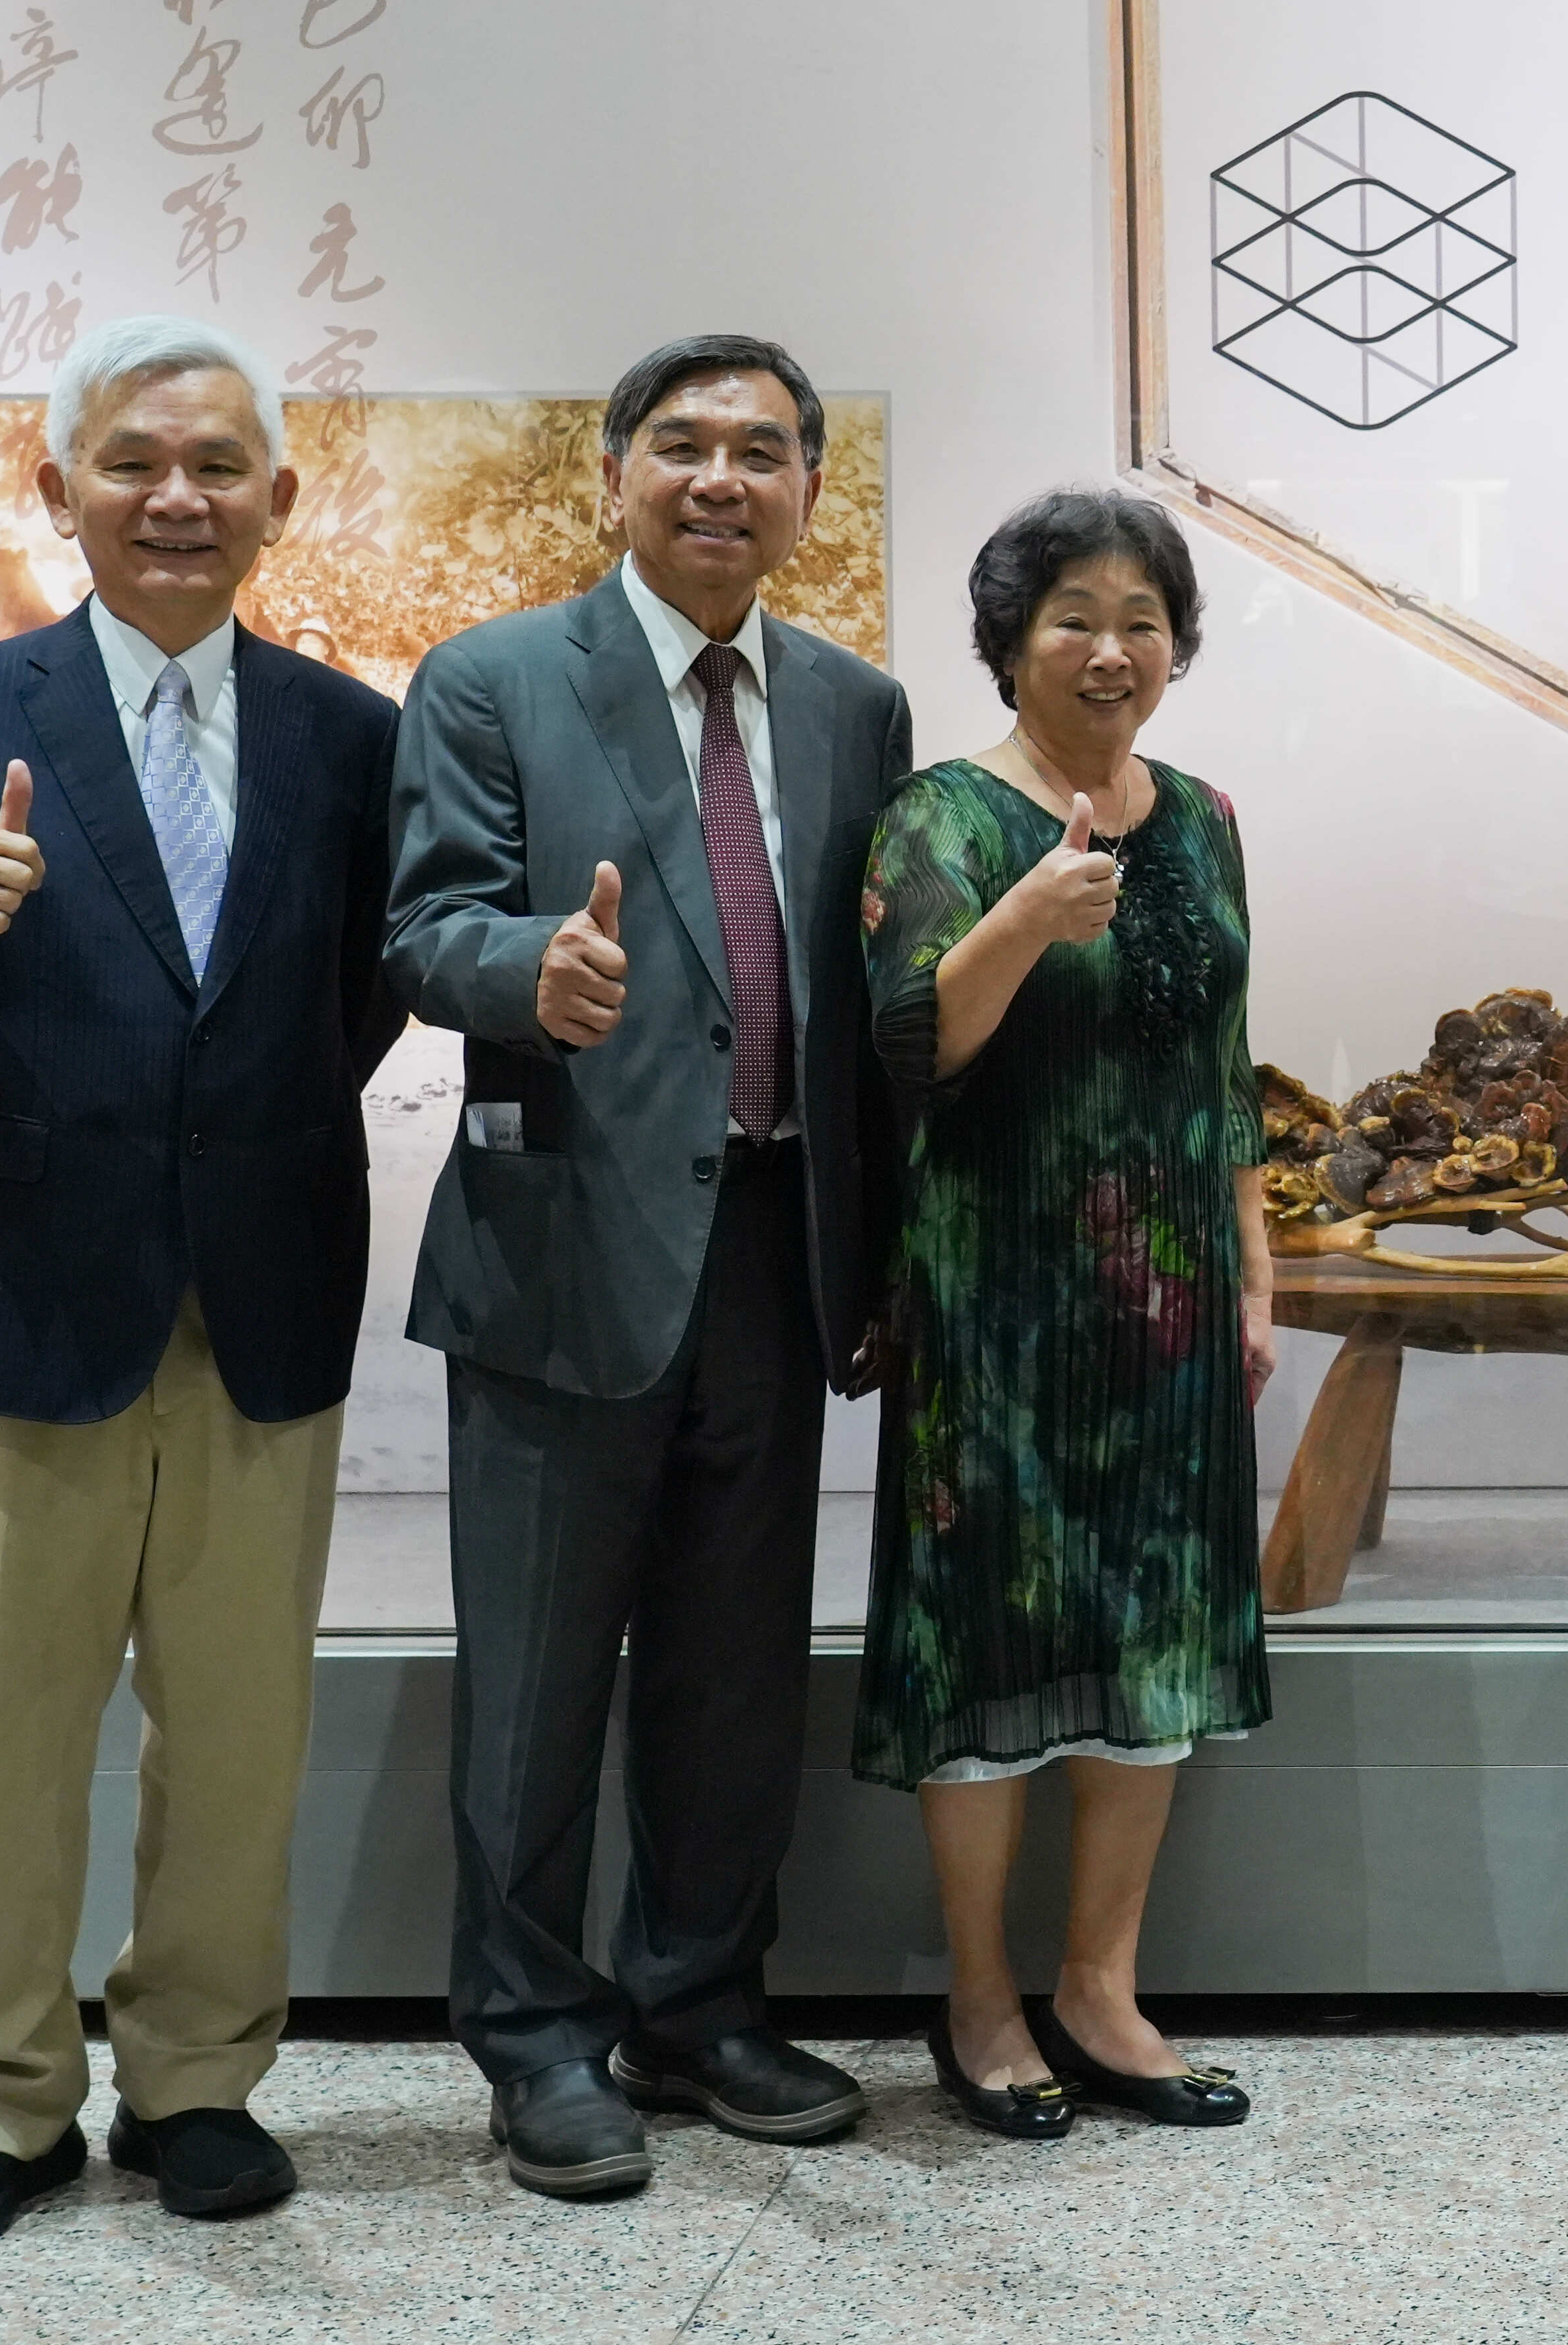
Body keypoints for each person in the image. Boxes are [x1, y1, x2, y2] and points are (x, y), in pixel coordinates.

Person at [0, 316, 403, 2261]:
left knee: (239, 1732)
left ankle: (196, 2080)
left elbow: (354, 996)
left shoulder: (348, 735)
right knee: (9, 1732)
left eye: (219, 465)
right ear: (60, 486)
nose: (177, 496)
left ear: (277, 498)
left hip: (262, 1301)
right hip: (19, 1301)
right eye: (135, 460)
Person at [387, 332, 915, 2197]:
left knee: (735, 1666)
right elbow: (425, 924)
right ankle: (535, 2034)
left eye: (761, 450)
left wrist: (879, 1247)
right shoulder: (492, 677)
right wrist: (526, 964)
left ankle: (699, 2004)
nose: (719, 478)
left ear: (808, 492)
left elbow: (867, 996)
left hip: (777, 1240)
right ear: (612, 475)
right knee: (537, 1677)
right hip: (565, 1245)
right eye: (681, 444)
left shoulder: (857, 704)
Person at [857, 490, 1275, 2139]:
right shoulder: (943, 815)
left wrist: (1254, 1265)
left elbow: (1225, 1062)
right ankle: (981, 1995)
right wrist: (1027, 914)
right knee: (992, 1638)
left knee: (1154, 1634)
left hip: (1168, 1308)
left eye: (1142, 620)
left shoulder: (1209, 817)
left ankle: (1102, 1986)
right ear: (1011, 644)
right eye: (1074, 619)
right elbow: (913, 1046)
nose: (1112, 650)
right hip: (995, 1302)